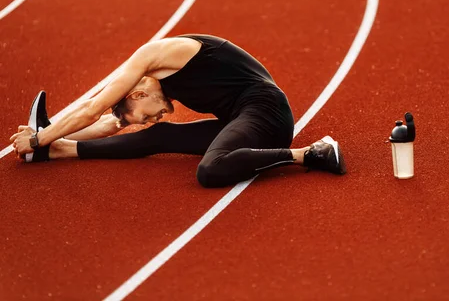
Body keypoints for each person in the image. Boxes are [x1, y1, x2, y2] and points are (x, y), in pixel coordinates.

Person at [10, 34, 345, 188]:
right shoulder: (149, 88)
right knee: (159, 136)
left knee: (209, 171)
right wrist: (52, 139)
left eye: (145, 114)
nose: (158, 116)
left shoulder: (157, 56)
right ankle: (60, 153)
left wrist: (39, 138)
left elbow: (92, 107)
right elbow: (107, 123)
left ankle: (312, 153)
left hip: (265, 110)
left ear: (138, 93)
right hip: (240, 119)